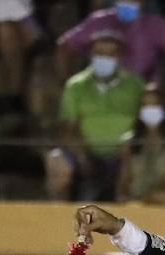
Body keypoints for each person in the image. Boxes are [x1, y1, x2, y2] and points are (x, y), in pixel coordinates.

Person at [47, 32, 144, 201]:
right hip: (85, 154)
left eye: (110, 53)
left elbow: (142, 124)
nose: (104, 57)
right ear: (91, 54)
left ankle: (127, 213)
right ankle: (57, 212)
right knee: (56, 159)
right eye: (99, 52)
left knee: (135, 161)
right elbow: (68, 128)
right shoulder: (75, 85)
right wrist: (83, 157)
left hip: (124, 154)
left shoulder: (135, 85)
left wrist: (127, 149)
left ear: (120, 56)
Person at [57, 0, 165, 86]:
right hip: (99, 89)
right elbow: (65, 46)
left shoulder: (154, 24)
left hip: (141, 90)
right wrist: (66, 81)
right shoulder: (98, 21)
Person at [116, 82, 165, 203]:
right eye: (146, 105)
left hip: (161, 202)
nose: (150, 109)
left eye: (155, 105)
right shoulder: (129, 141)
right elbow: (124, 177)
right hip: (134, 201)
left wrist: (148, 200)